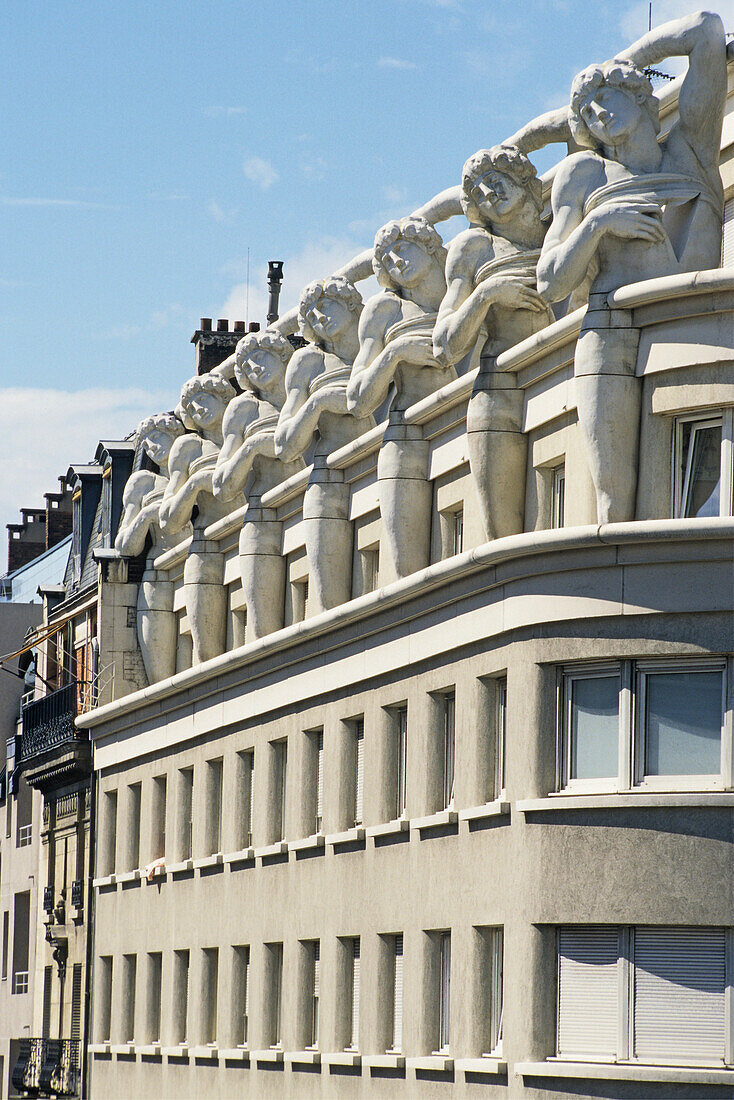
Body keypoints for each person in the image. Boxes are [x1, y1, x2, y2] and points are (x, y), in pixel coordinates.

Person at [534, 10, 726, 523]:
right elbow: (549, 280)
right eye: (586, 111)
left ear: (641, 96)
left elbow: (708, 29)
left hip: (694, 329)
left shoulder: (692, 152)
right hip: (610, 334)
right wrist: (597, 225)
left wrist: (628, 61)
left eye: (605, 98)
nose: (596, 113)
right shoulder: (585, 174)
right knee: (614, 508)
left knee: (695, 495)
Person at [434, 145, 556, 539]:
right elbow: (444, 347)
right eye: (478, 191)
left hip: (559, 372)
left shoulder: (560, 229)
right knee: (500, 534)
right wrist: (487, 295)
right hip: (497, 387)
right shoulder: (474, 250)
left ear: (523, 181)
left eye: (495, 181)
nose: (488, 194)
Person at [347, 215, 453, 580]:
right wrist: (394, 354)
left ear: (428, 247)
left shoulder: (462, 280)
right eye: (387, 259)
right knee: (405, 570)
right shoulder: (385, 311)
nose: (397, 262)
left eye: (402, 249)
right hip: (405, 434)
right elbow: (357, 400)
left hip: (463, 418)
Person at [274, 276, 374, 611]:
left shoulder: (377, 338)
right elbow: (285, 445)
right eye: (311, 315)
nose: (319, 318)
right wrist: (316, 405)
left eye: (325, 306)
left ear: (349, 305)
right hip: (326, 477)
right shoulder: (309, 363)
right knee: (329, 602)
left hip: (381, 464)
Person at [212, 330, 303, 640]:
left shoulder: (303, 385)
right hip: (261, 515)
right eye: (247, 366)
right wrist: (250, 449)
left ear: (280, 355)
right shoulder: (244, 409)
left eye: (260, 357)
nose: (255, 368)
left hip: (308, 503)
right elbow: (222, 486)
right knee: (262, 628)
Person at [159, 374, 236, 664]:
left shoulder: (244, 425)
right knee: (207, 654)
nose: (199, 409)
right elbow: (168, 519)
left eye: (204, 400)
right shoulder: (190, 448)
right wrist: (194, 485)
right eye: (191, 407)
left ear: (223, 398)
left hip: (249, 532)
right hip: (205, 548)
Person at [115, 411, 189, 683]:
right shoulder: (145, 483)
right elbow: (125, 546)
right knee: (160, 678)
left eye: (159, 438)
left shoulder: (196, 464)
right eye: (147, 443)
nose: (153, 446)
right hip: (158, 572)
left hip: (196, 562)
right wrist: (146, 516)